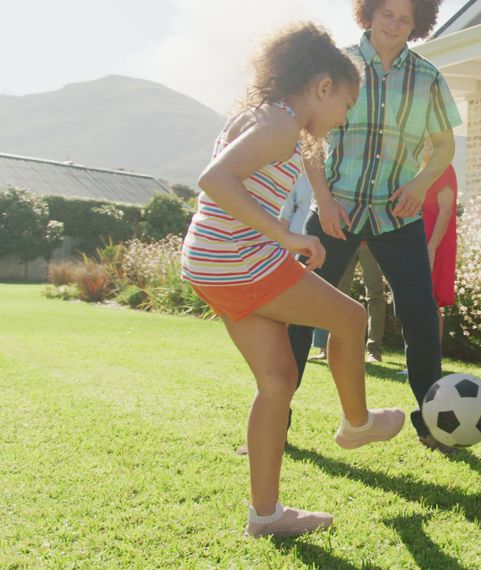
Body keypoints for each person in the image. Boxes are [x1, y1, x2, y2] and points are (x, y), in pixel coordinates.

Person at [181, 22, 405, 539]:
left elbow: (272, 168)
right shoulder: (280, 125)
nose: (345, 117)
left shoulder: (272, 120)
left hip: (213, 263)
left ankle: (265, 517)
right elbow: (214, 180)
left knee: (278, 381)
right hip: (239, 257)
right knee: (352, 318)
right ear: (322, 87)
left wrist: (294, 228)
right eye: (346, 104)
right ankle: (357, 424)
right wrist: (285, 234)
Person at [287, 0, 462, 455]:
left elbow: (444, 146)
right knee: (297, 311)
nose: (395, 25)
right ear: (369, 12)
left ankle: (432, 424)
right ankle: (276, 417)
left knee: (421, 315)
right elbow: (309, 135)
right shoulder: (336, 67)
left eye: (406, 19)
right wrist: (322, 199)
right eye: (387, 13)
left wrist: (422, 184)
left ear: (418, 24)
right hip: (335, 212)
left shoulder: (428, 78)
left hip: (396, 214)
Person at [309, 244, 387, 363]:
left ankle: (374, 351)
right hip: (346, 239)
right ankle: (328, 349)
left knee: (375, 296)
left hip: (371, 242)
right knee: (338, 295)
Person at [422, 164, 457, 341]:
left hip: (433, 243)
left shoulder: (443, 168)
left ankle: (430, 360)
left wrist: (431, 247)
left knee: (429, 301)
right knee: (416, 300)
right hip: (416, 241)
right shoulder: (419, 168)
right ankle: (416, 360)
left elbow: (446, 211)